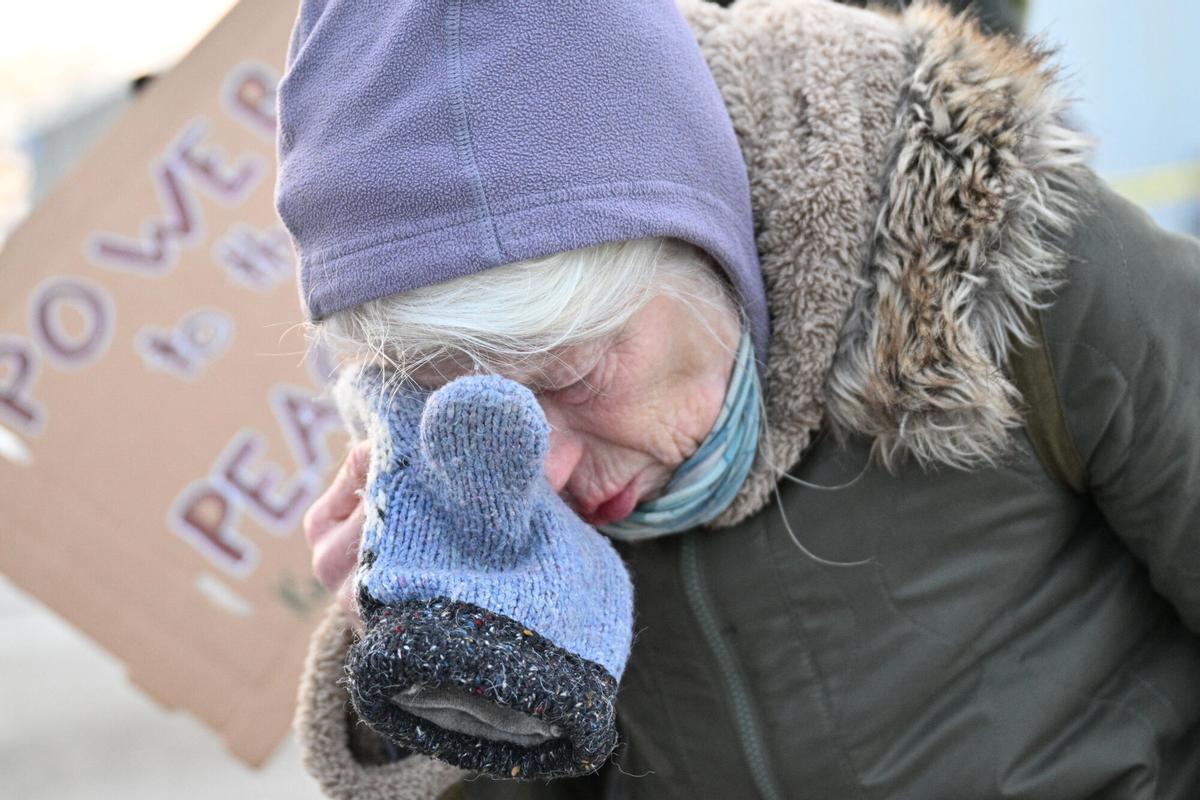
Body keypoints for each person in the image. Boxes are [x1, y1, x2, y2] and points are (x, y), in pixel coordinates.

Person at [275, 0, 1200, 798]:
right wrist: (433, 646)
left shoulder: (1028, 271)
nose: (545, 469)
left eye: (576, 378)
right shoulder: (478, 468)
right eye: (452, 402)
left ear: (706, 247)